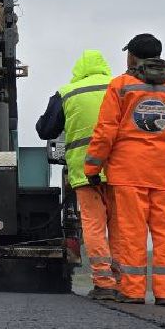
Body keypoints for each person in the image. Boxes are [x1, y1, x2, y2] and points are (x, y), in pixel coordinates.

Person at [82, 34, 165, 306]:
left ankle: (133, 290)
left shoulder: (121, 86)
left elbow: (105, 132)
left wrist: (93, 166)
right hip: (163, 173)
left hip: (127, 173)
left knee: (131, 232)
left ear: (132, 57)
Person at [37, 50, 116, 300]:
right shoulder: (119, 87)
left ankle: (104, 283)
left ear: (79, 69)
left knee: (94, 225)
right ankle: (128, 284)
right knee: (123, 227)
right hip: (119, 170)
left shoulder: (68, 92)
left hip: (85, 172)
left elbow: (45, 129)